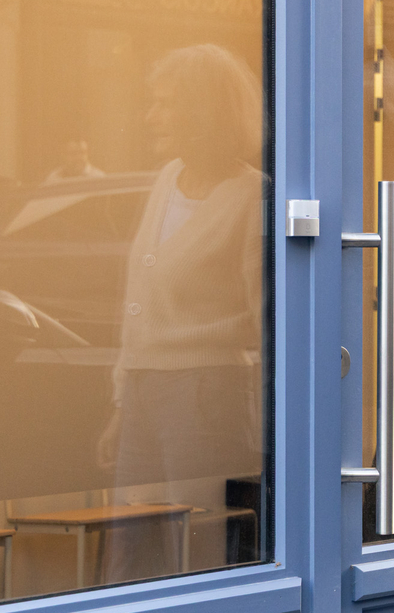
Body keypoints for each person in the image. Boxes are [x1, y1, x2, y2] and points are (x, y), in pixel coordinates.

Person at [98, 44, 266, 582]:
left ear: (206, 112)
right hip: (146, 393)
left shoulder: (251, 197)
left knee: (195, 552)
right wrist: (123, 402)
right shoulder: (166, 178)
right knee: (129, 546)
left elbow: (267, 322)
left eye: (166, 105)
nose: (152, 117)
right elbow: (137, 305)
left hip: (206, 393)